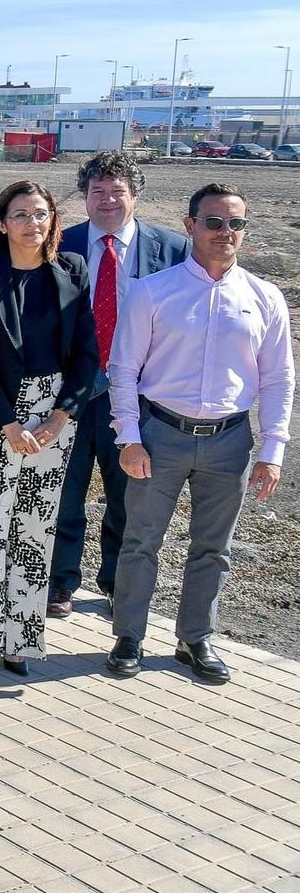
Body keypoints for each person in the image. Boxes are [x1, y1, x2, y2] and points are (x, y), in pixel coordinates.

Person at [107, 184, 292, 684]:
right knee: (141, 541)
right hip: (160, 433)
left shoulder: (264, 296)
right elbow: (123, 369)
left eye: (235, 224)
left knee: (213, 546)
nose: (225, 233)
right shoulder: (154, 291)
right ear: (190, 226)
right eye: (214, 222)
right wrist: (129, 437)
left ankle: (195, 639)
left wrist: (272, 449)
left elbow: (277, 378)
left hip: (229, 441)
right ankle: (129, 636)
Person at [0, 181, 97, 676]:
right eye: (22, 214)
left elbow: (87, 352)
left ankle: (21, 641)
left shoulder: (71, 269)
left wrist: (60, 415)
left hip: (55, 415)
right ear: (3, 222)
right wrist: (9, 423)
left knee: (34, 531)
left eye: (42, 213)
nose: (33, 222)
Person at [50, 152, 189, 617]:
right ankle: (59, 583)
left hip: (140, 395)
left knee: (128, 494)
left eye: (117, 192)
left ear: (135, 195)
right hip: (71, 392)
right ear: (85, 196)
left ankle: (116, 583)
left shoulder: (172, 250)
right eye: (97, 192)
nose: (107, 200)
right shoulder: (59, 244)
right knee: (64, 491)